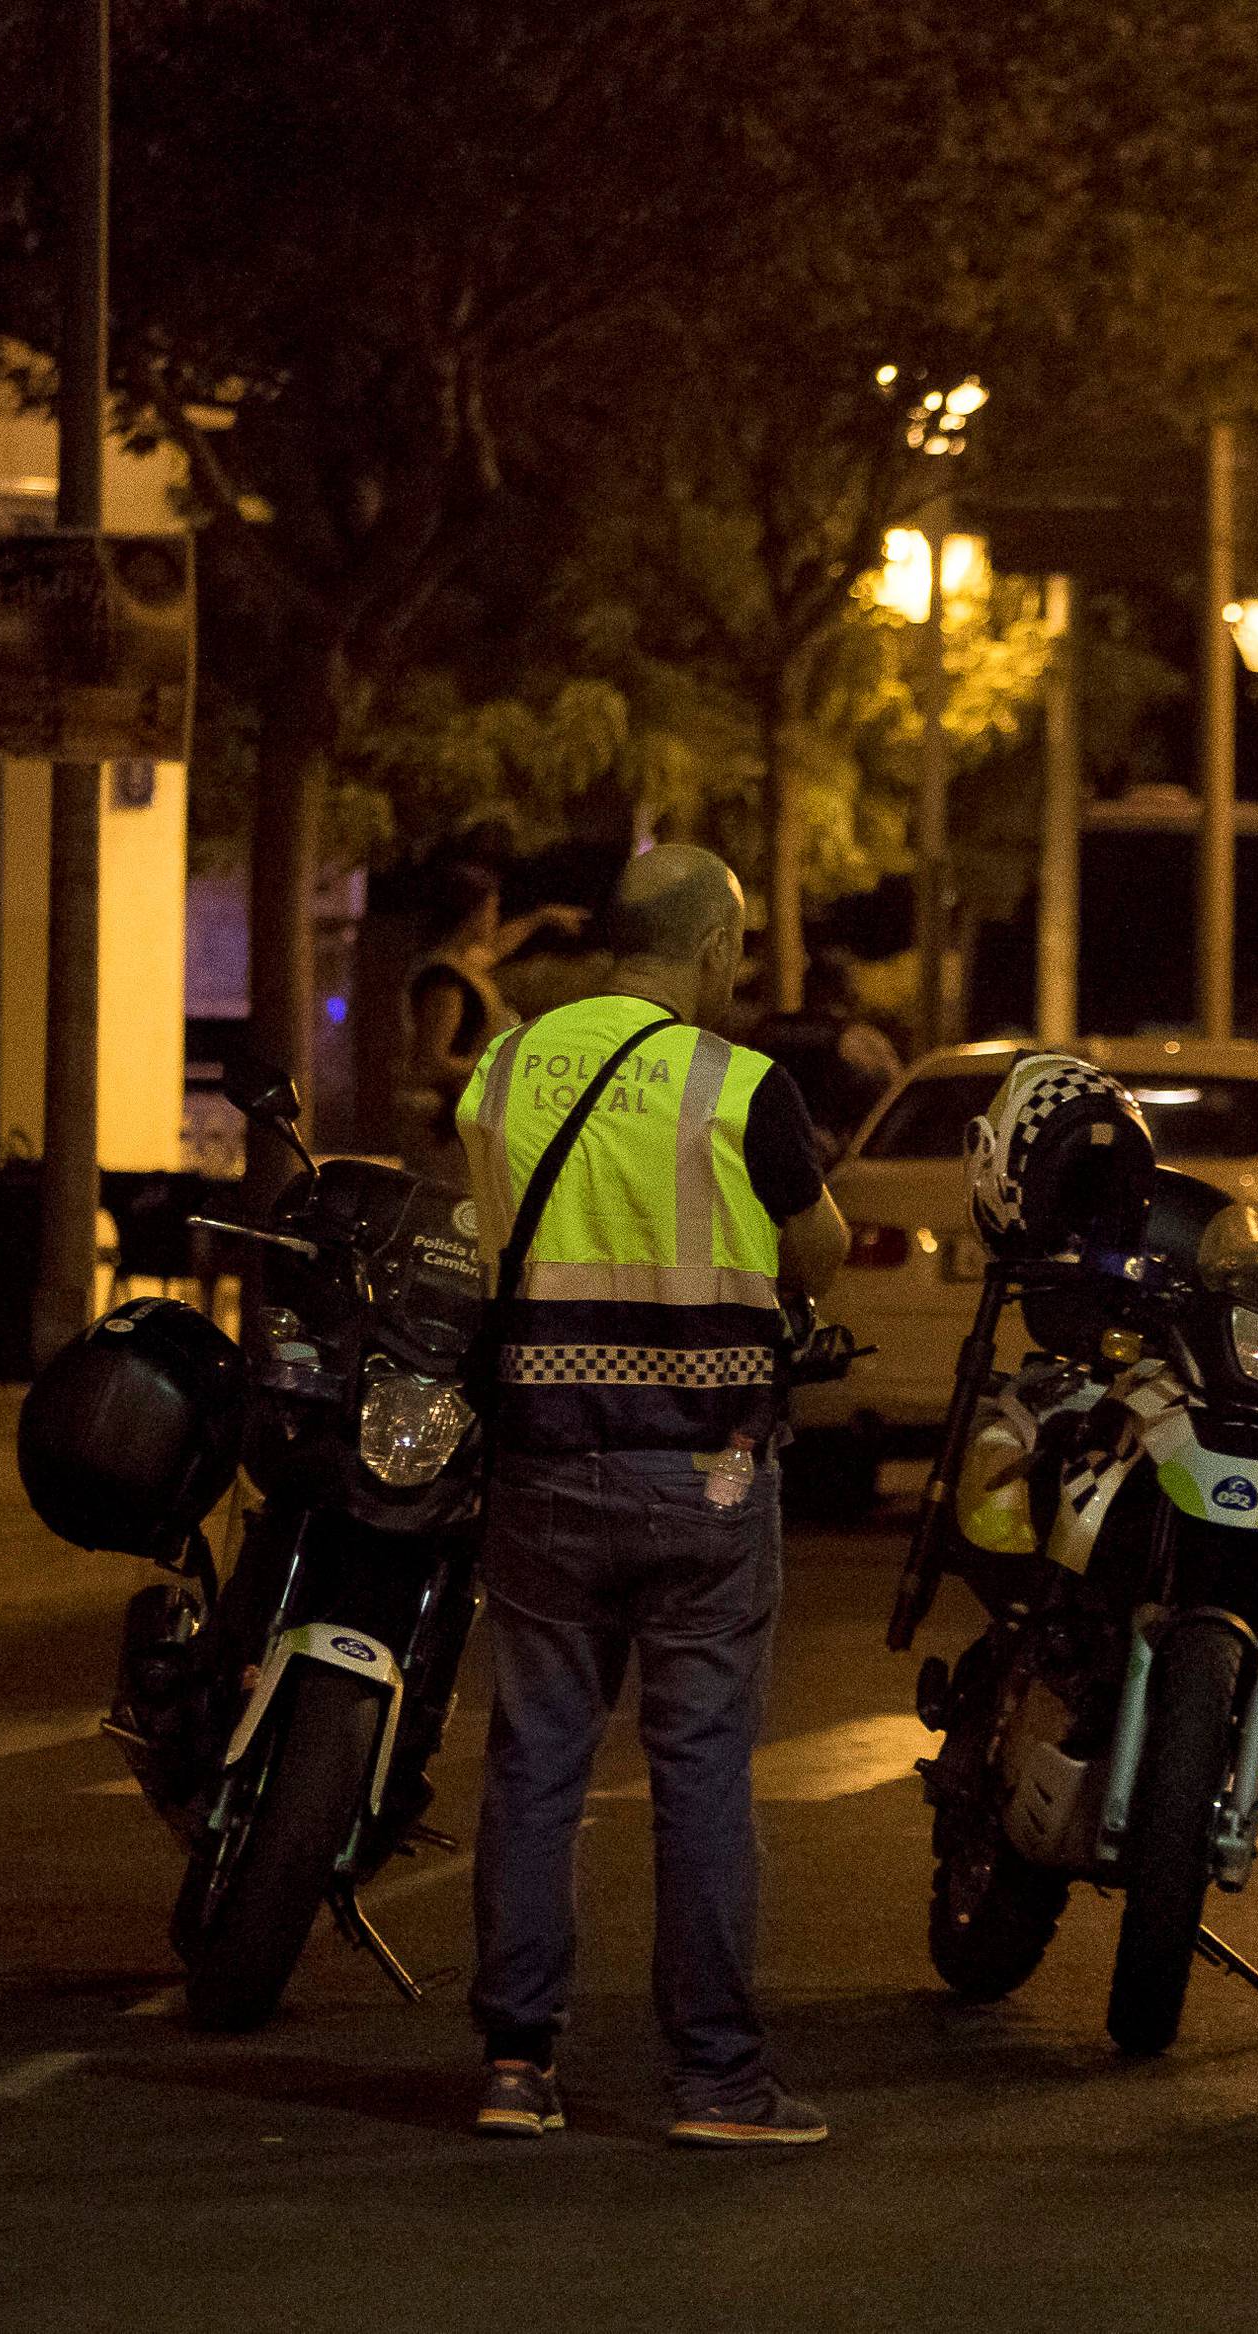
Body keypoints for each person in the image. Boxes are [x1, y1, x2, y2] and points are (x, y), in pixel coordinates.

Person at [456, 843, 849, 2148]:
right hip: (709, 1473)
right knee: (700, 1779)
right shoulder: (741, 1087)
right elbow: (821, 1248)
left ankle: (516, 2064)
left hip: (544, 1464)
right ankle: (718, 2080)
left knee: (535, 1765)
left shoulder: (504, 1071)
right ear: (713, 949)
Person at [398, 860, 588, 1185]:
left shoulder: (465, 964)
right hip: (441, 1128)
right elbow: (430, 1061)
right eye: (492, 907)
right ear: (472, 914)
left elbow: (498, 946)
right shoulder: (446, 982)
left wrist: (542, 918)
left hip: (461, 1119)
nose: (496, 916)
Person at [748, 949, 903, 1157]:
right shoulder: (857, 1039)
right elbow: (895, 1094)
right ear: (845, 990)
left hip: (764, 1148)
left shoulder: (770, 1029)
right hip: (832, 1155)